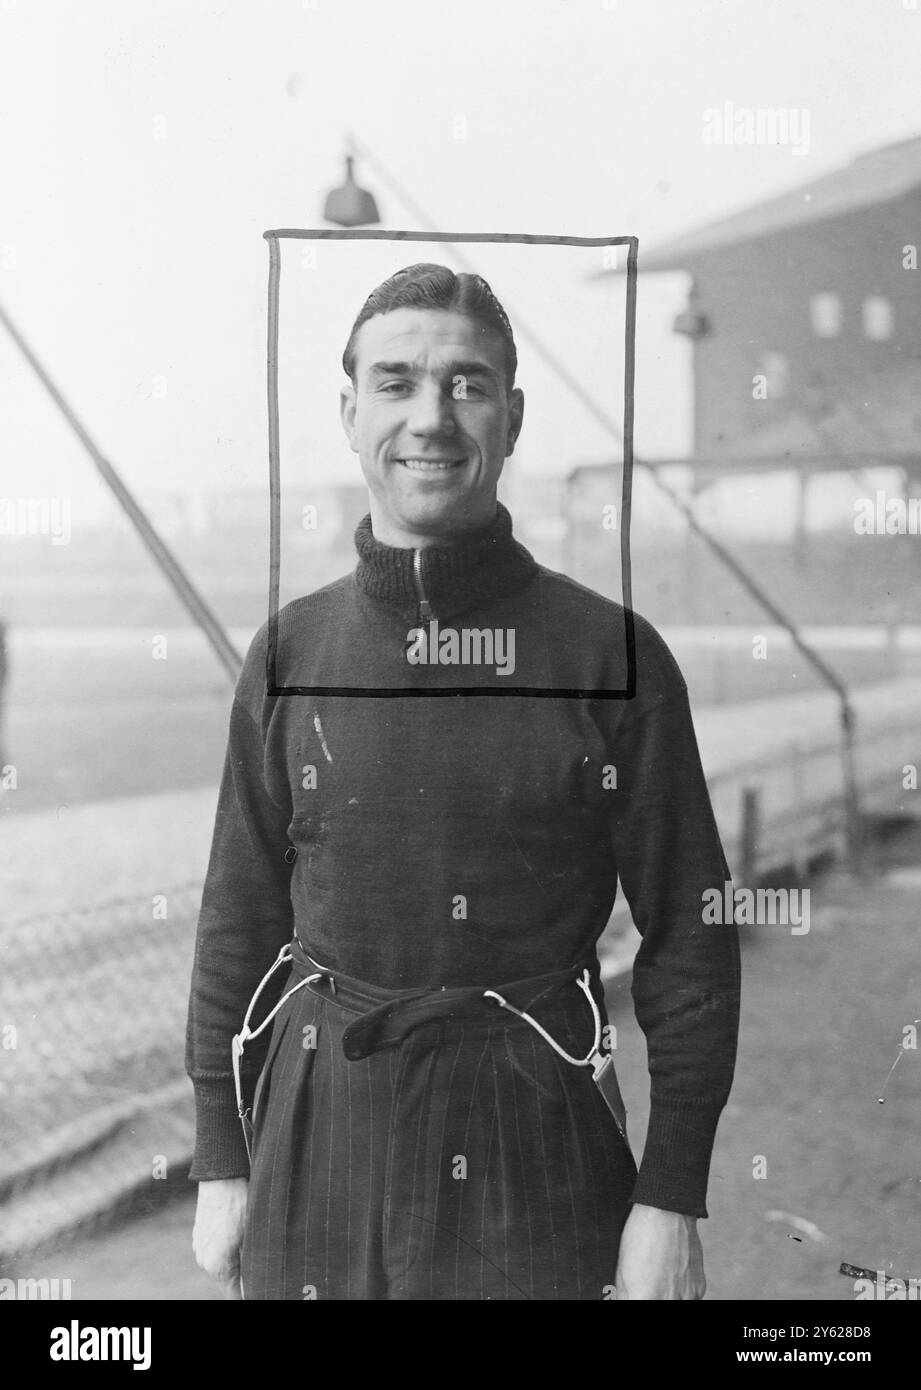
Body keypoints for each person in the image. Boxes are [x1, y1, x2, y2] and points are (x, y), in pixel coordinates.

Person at [186, 262, 740, 1301]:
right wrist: (223, 1154)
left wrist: (672, 1197)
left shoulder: (609, 656)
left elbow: (694, 936)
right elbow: (237, 916)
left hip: (535, 1132)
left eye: (467, 385)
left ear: (513, 417)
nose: (431, 419)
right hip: (320, 1127)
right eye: (396, 383)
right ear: (351, 413)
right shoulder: (287, 653)